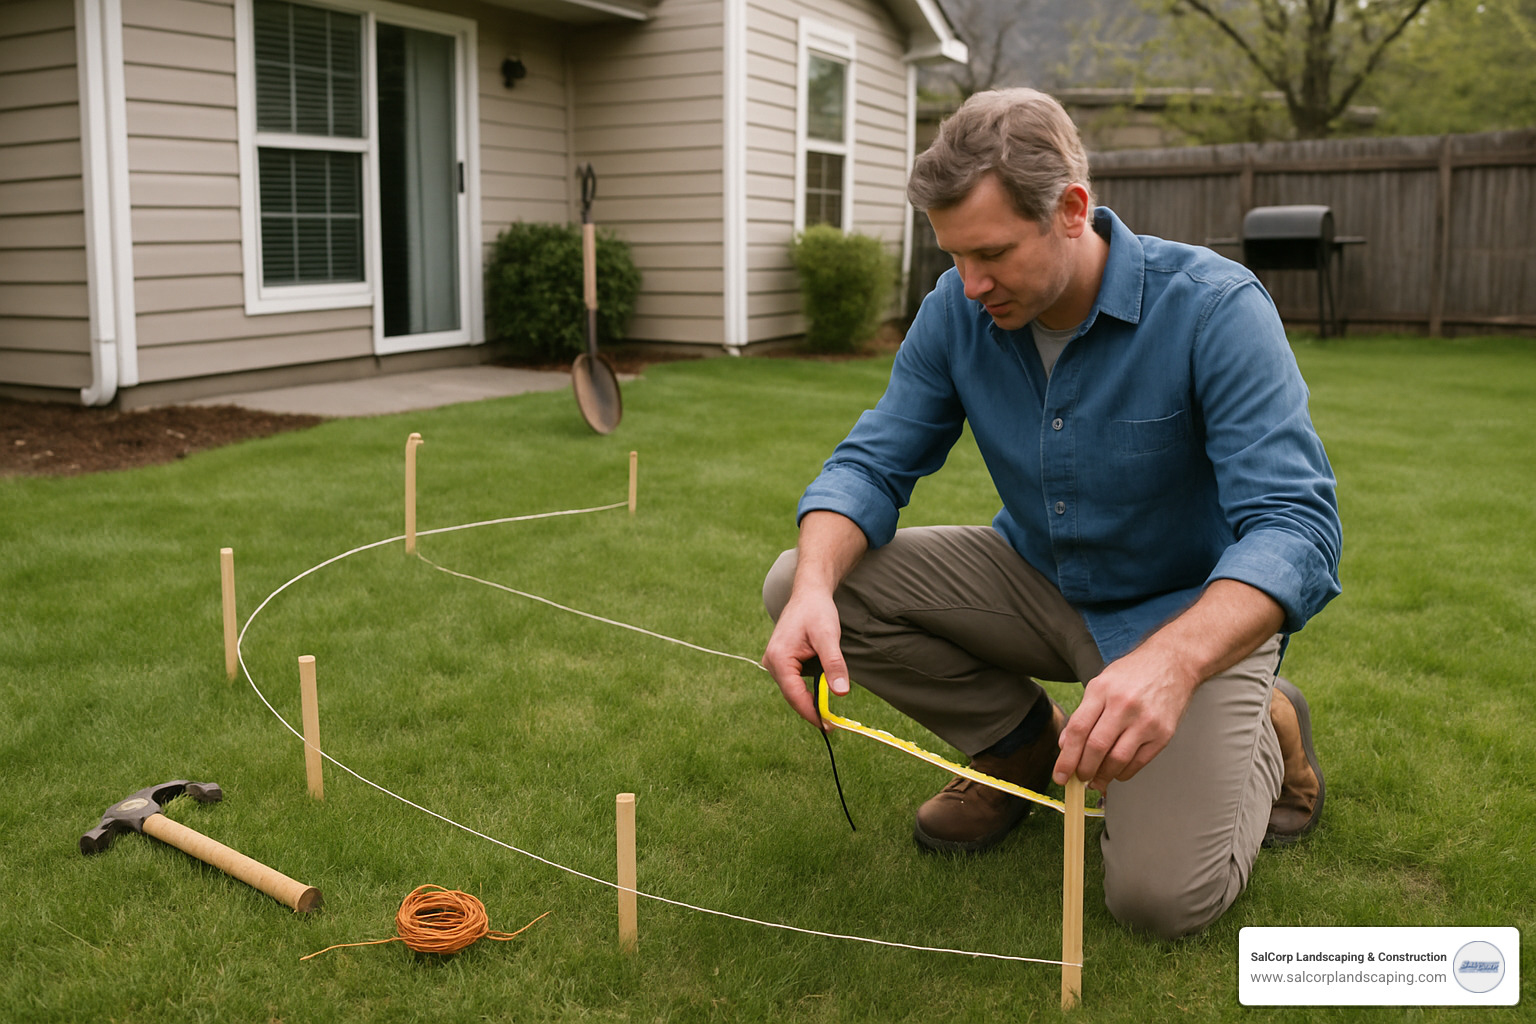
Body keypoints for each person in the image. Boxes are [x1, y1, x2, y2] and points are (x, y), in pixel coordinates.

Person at [761, 88, 1341, 940]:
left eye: (991, 253)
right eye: (953, 256)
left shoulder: (1215, 309)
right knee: (801, 579)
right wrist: (816, 584)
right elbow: (872, 463)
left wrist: (1175, 666)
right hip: (1037, 576)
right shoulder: (956, 311)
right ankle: (1020, 747)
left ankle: (1266, 721)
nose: (968, 284)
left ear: (1072, 210)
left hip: (1183, 615)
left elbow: (1297, 527)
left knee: (1160, 903)